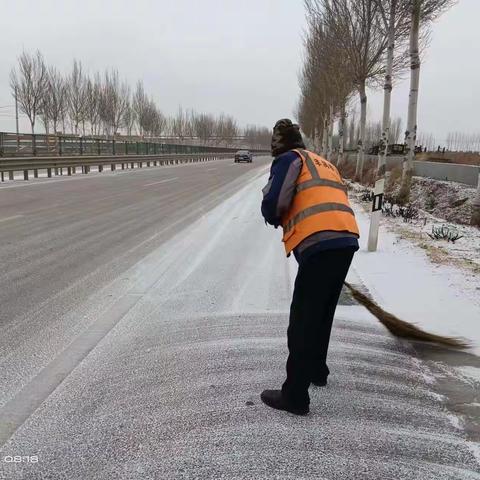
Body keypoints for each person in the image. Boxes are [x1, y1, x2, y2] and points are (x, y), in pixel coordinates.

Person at [260, 119, 360, 415]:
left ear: (278, 144)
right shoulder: (322, 161)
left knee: (303, 318)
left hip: (319, 242)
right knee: (322, 310)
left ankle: (295, 396)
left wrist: (270, 211)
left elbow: (276, 202)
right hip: (346, 238)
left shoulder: (288, 159)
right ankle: (317, 369)